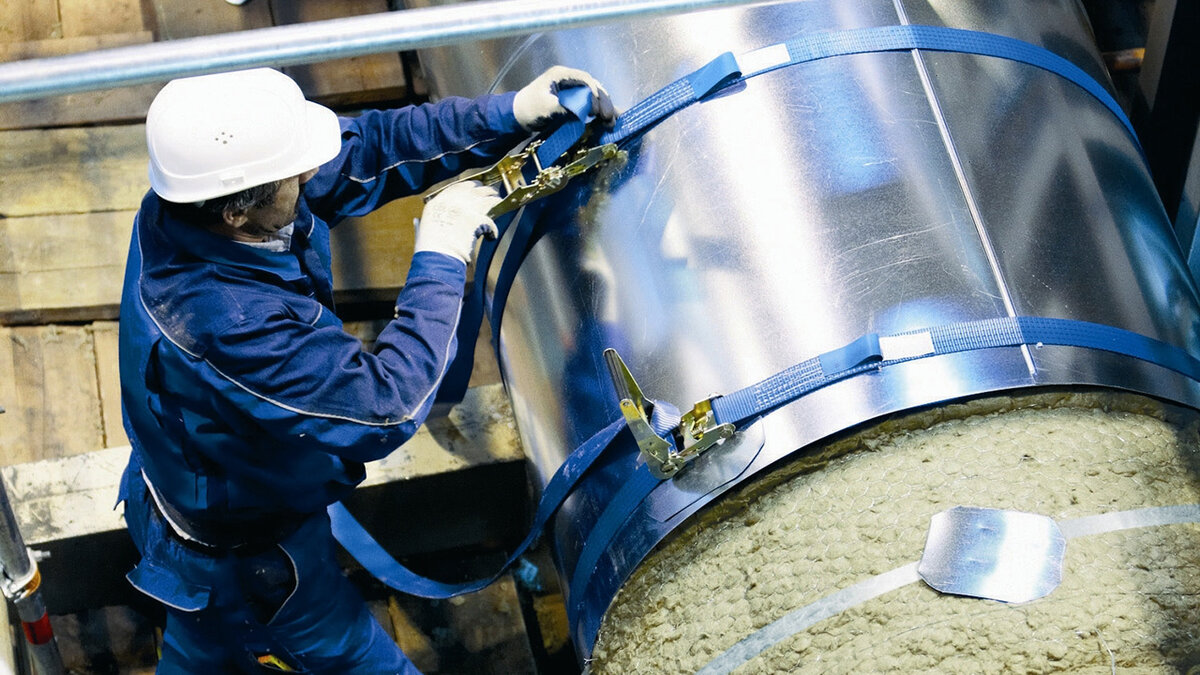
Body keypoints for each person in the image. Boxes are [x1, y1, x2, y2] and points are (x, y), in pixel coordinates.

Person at [117, 65, 613, 673]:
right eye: (295, 175)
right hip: (242, 561)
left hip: (199, 484)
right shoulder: (223, 320)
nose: (310, 174)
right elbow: (386, 406)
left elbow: (369, 148)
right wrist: (440, 254)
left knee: (207, 648)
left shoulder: (198, 202)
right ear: (236, 214)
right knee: (336, 657)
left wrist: (506, 113)